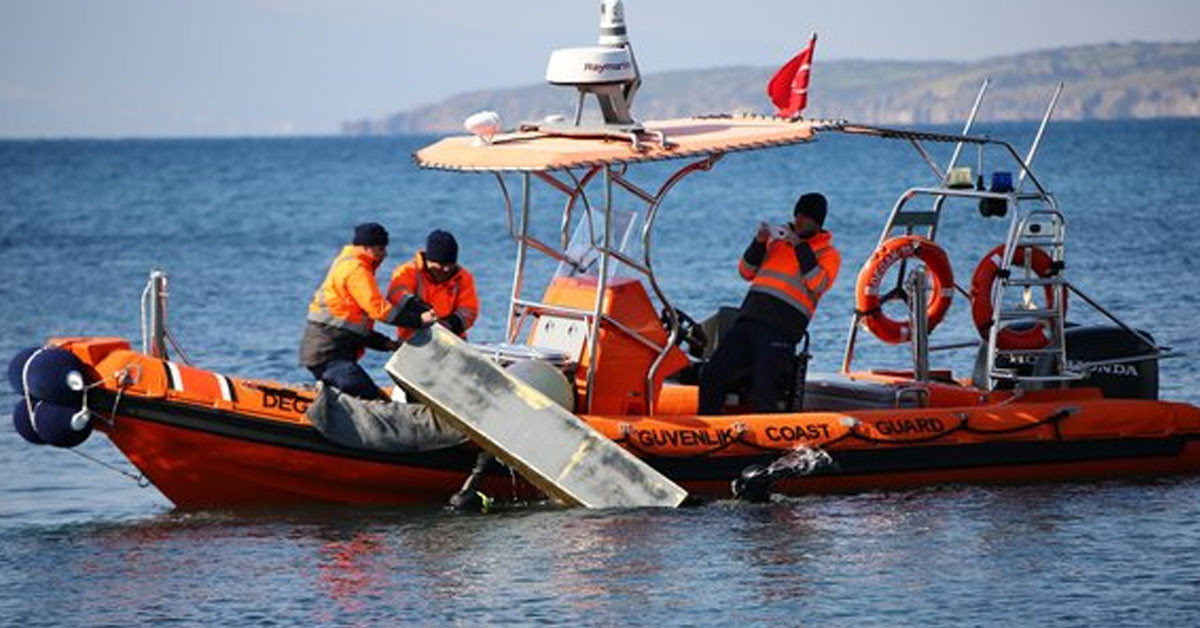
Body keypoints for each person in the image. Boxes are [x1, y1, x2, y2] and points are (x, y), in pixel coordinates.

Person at [699, 193, 841, 414]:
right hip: (749, 320)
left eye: (806, 217)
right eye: (797, 215)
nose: (799, 221)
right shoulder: (777, 243)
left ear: (818, 222)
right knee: (712, 373)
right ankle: (708, 428)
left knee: (764, 389)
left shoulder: (828, 254)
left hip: (780, 330)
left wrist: (799, 246)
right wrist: (758, 242)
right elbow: (746, 272)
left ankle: (767, 442)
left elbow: (817, 284)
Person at [300, 222, 436, 400]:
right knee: (374, 401)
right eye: (380, 249)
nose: (385, 254)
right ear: (366, 248)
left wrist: (386, 343)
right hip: (328, 355)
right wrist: (419, 320)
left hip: (328, 352)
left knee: (371, 396)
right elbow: (379, 310)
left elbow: (351, 327)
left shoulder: (348, 264)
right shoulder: (357, 270)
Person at [387, 229, 479, 341]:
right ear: (428, 261)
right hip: (412, 341)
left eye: (450, 264)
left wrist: (446, 325)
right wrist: (423, 311)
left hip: (452, 342)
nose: (446, 269)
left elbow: (469, 311)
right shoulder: (407, 272)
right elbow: (396, 295)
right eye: (441, 265)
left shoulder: (464, 277)